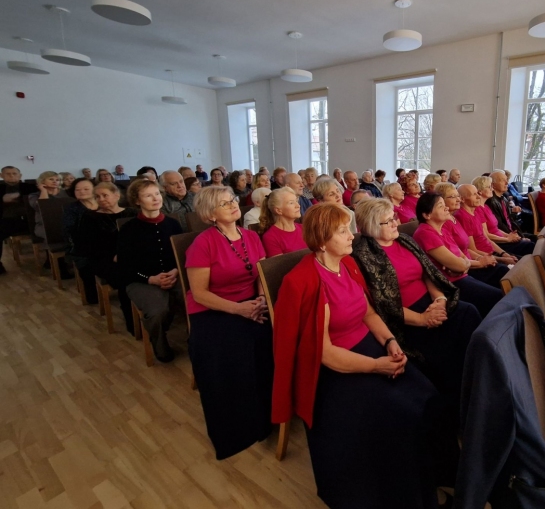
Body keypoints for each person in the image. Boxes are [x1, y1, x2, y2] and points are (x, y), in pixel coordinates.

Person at [273, 203, 443, 509]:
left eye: (350, 227)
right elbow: (324, 353)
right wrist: (377, 365)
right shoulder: (306, 281)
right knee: (400, 414)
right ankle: (402, 498)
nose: (353, 235)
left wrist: (390, 341)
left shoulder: (348, 264)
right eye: (342, 231)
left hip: (368, 347)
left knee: (427, 394)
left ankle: (427, 480)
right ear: (322, 241)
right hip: (335, 368)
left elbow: (367, 312)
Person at [352, 199, 481, 405]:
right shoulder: (365, 256)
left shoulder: (404, 239)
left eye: (394, 217)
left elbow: (428, 272)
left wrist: (439, 299)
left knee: (469, 314)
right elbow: (384, 304)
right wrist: (423, 319)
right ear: (372, 226)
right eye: (389, 221)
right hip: (406, 317)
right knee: (445, 351)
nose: (396, 222)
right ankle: (459, 403)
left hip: (431, 303)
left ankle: (479, 385)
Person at [186, 186, 272, 460]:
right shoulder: (204, 243)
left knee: (269, 342)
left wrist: (260, 299)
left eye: (233, 200)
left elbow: (260, 272)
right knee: (229, 351)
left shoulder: (251, 235)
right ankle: (238, 429)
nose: (234, 205)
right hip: (213, 309)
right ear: (211, 215)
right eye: (224, 204)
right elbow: (199, 293)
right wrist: (239, 310)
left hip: (249, 303)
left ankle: (268, 418)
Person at [117, 179, 183, 362]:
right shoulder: (128, 229)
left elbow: (183, 254)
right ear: (137, 201)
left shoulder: (173, 224)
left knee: (197, 298)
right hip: (141, 280)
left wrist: (176, 270)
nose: (155, 198)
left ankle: (198, 340)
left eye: (157, 194)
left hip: (173, 275)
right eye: (148, 195)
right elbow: (125, 267)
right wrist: (151, 279)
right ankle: (160, 346)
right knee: (157, 310)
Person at [413, 192, 505, 318]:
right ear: (427, 215)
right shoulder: (425, 233)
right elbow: (459, 265)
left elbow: (462, 259)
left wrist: (460, 265)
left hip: (462, 275)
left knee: (501, 279)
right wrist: (461, 265)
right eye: (440, 206)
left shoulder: (442, 229)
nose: (446, 208)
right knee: (498, 297)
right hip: (450, 284)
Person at [78, 182, 136, 332]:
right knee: (126, 276)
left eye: (105, 195)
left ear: (117, 195)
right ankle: (132, 322)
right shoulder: (90, 217)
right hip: (105, 260)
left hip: (131, 257)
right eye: (97, 196)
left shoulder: (132, 213)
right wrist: (113, 256)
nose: (101, 199)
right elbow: (87, 247)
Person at [456, 185, 520, 266]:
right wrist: (502, 259)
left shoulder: (475, 212)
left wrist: (504, 254)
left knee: (522, 260)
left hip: (493, 252)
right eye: (474, 194)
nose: (479, 197)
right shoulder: (462, 216)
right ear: (462, 199)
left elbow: (487, 239)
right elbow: (472, 249)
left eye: (477, 194)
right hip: (484, 257)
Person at [471, 177, 534, 256]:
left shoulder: (486, 207)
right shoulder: (478, 209)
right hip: (499, 243)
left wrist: (509, 236)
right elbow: (486, 235)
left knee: (531, 244)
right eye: (489, 187)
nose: (492, 189)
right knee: (530, 247)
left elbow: (495, 229)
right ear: (480, 191)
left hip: (502, 240)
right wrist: (507, 239)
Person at [0, 166, 38, 274]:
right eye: (8, 174)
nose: (12, 176)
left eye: (14, 173)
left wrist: (19, 195)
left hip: (30, 220)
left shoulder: (30, 187)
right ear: (1, 176)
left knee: (47, 228)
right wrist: (2, 200)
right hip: (7, 221)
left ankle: (51, 261)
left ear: (20, 175)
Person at [258, 187, 307, 257]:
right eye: (291, 203)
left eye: (297, 201)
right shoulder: (270, 237)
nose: (298, 206)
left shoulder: (303, 228)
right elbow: (281, 266)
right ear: (278, 210)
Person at [28, 171, 69, 246]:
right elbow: (41, 207)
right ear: (42, 181)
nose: (55, 182)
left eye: (57, 180)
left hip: (65, 222)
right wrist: (43, 191)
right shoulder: (34, 195)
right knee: (54, 233)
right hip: (44, 225)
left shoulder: (66, 193)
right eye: (51, 179)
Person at [484, 170, 524, 236]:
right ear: (493, 185)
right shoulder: (491, 201)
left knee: (536, 239)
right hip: (504, 236)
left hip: (511, 232)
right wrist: (514, 237)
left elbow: (510, 220)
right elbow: (499, 225)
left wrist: (520, 235)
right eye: (503, 180)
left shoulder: (504, 198)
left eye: (507, 180)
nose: (507, 183)